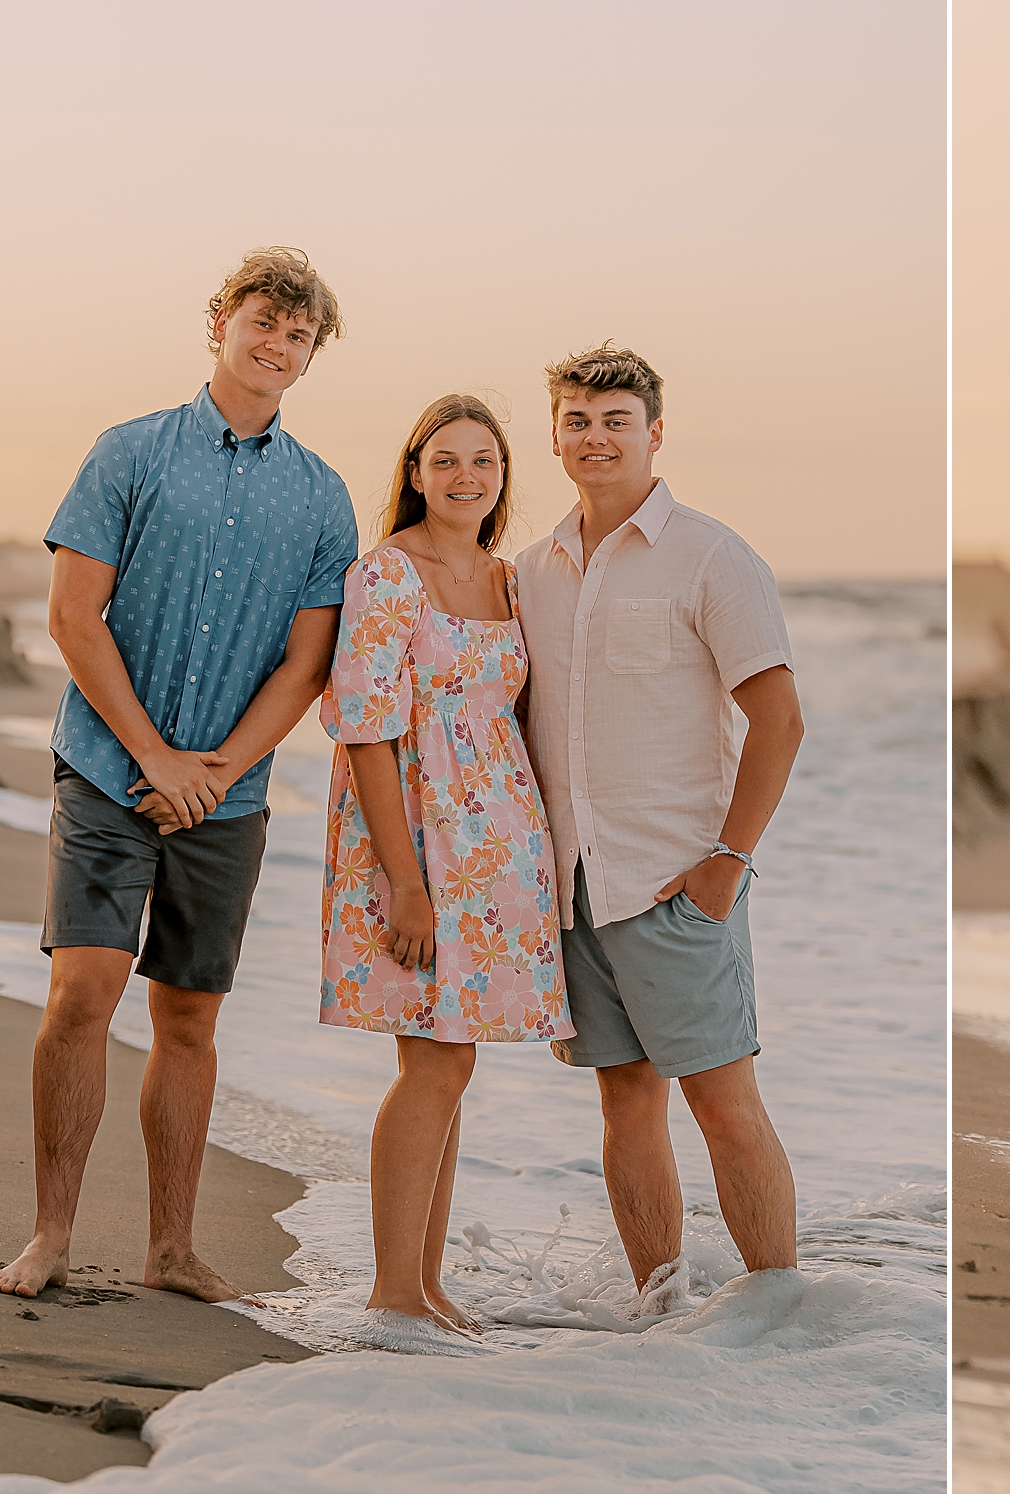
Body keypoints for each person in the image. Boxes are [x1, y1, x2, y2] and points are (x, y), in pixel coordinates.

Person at [0, 249, 356, 1303]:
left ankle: (172, 1250)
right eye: (262, 321)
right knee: (83, 992)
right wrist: (153, 758)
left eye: (298, 334)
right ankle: (51, 1236)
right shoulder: (131, 452)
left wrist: (217, 771)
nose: (276, 343)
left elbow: (308, 664)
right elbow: (71, 616)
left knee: (189, 1019)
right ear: (219, 324)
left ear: (310, 355)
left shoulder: (322, 496)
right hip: (108, 771)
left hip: (228, 797)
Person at [515, 343, 805, 1301]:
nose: (595, 439)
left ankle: (779, 1312)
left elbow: (780, 717)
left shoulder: (713, 556)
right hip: (575, 890)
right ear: (555, 434)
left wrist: (729, 860)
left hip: (677, 885)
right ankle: (662, 1308)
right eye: (578, 421)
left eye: (616, 422)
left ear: (655, 431)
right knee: (624, 1104)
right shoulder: (533, 572)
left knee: (725, 1107)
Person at [320, 394, 571, 1348]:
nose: (466, 477)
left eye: (485, 461)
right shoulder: (388, 575)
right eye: (446, 461)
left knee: (449, 1061)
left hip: (499, 846)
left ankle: (422, 1285)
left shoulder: (509, 580)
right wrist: (406, 883)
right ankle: (390, 1296)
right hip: (414, 843)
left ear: (504, 476)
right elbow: (369, 732)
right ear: (415, 472)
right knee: (434, 1059)